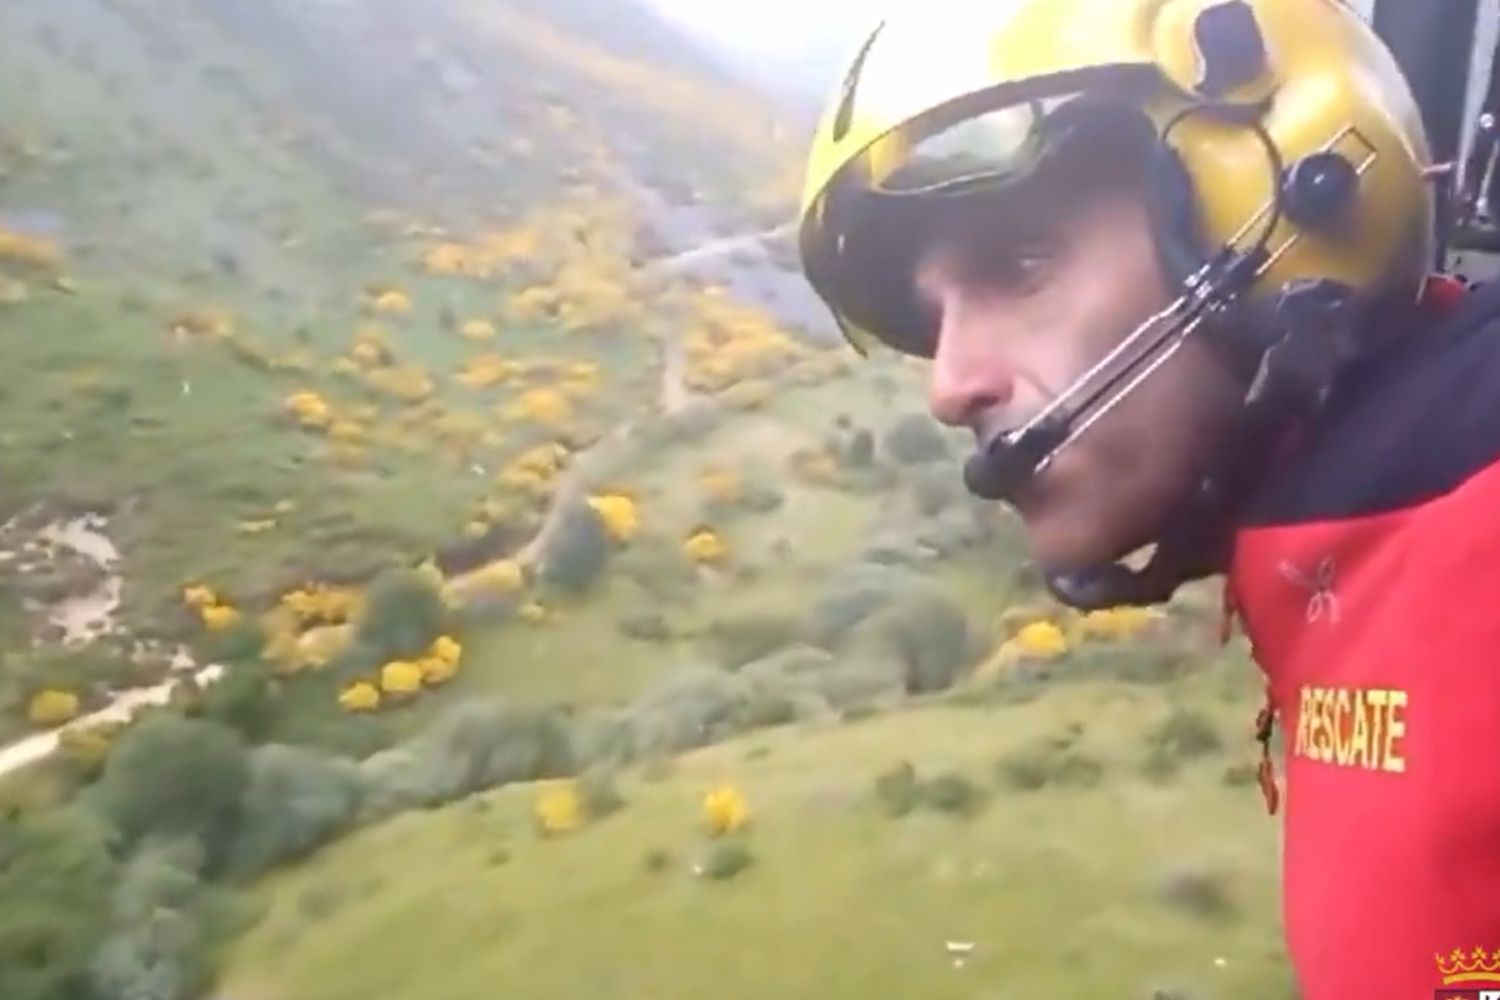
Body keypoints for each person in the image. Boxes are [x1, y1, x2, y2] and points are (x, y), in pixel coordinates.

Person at [795, 1, 1500, 997]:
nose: (947, 385)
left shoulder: (1476, 511)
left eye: (1019, 264)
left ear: (1282, 203)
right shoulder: (1342, 542)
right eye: (931, 319)